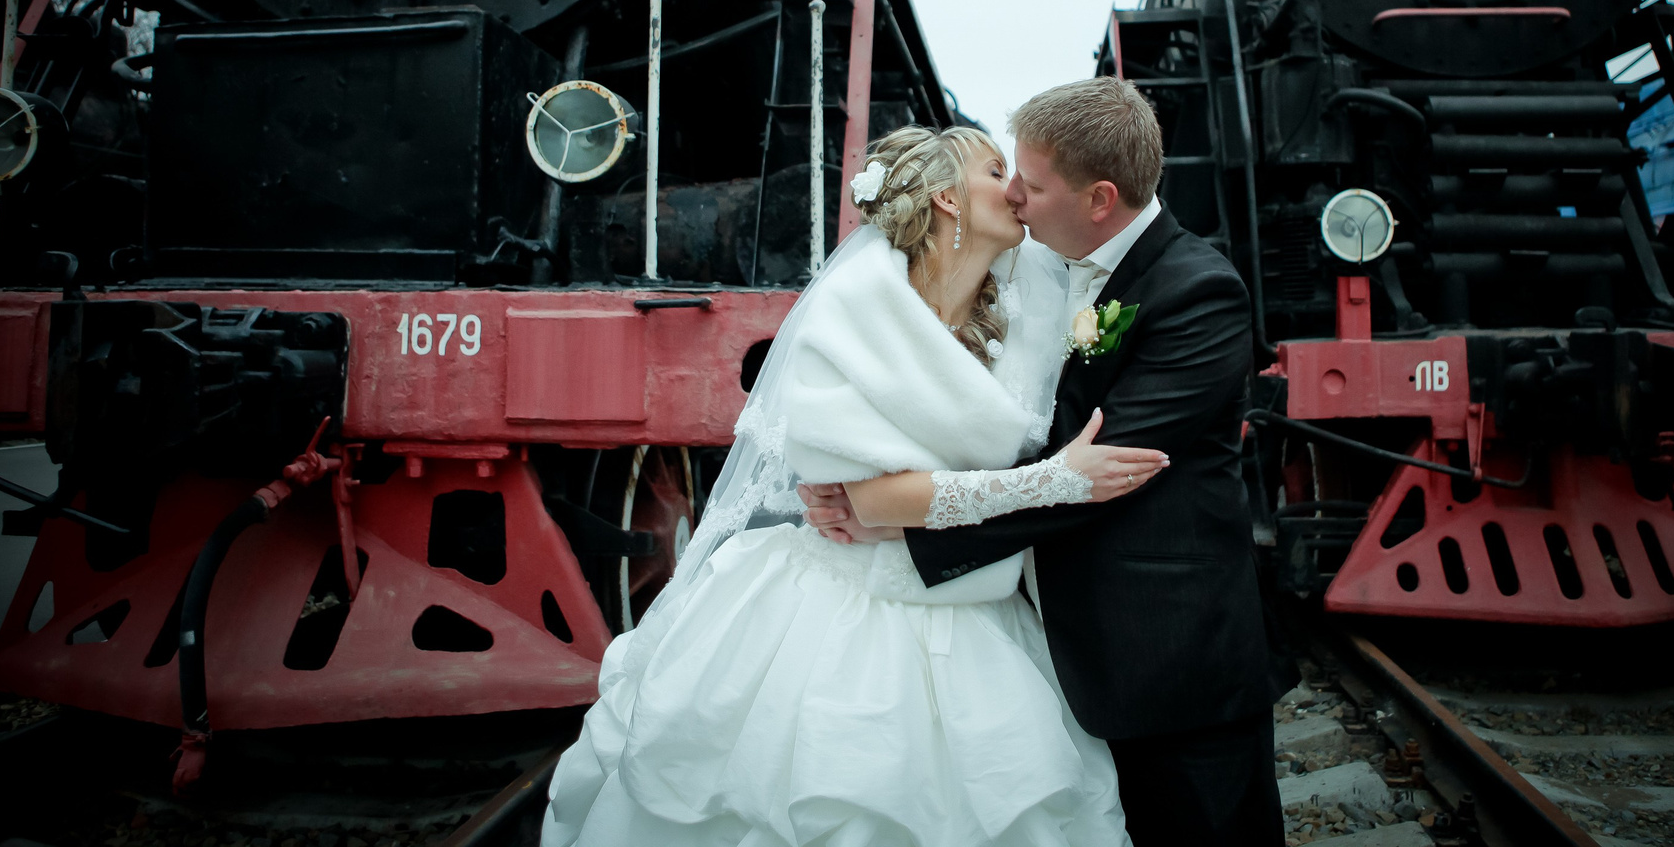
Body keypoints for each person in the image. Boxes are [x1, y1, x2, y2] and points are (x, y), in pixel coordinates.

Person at [541, 123, 1162, 847]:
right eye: (998, 172)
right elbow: (869, 501)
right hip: (844, 610)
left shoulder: (1025, 317)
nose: (1018, 190)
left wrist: (964, 493)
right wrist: (1053, 483)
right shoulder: (857, 309)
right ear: (946, 198)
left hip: (976, 603)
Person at [803, 77, 1283, 845]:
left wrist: (901, 521)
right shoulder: (1044, 271)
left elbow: (1098, 475)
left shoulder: (1198, 292)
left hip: (1170, 663)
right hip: (1056, 651)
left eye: (1030, 181)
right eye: (1007, 174)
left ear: (1099, 200)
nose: (1015, 195)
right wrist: (861, 478)